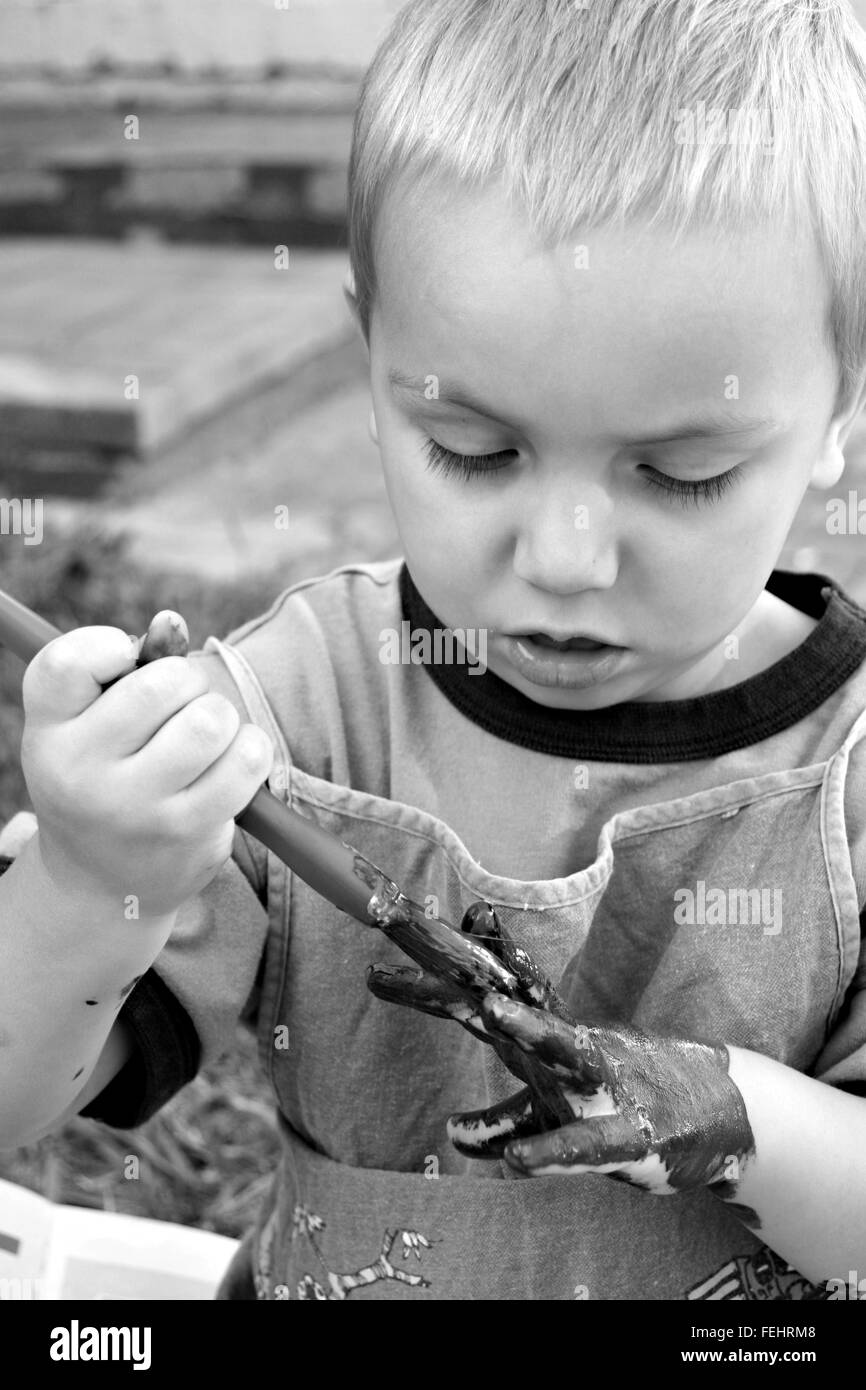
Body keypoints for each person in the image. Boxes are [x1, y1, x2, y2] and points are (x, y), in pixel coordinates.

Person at [2, 0, 866, 1301]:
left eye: (678, 471)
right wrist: (83, 878)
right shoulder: (296, 708)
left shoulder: (844, 777)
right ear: (372, 371)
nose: (567, 555)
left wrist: (721, 1106)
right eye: (475, 450)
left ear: (837, 417)